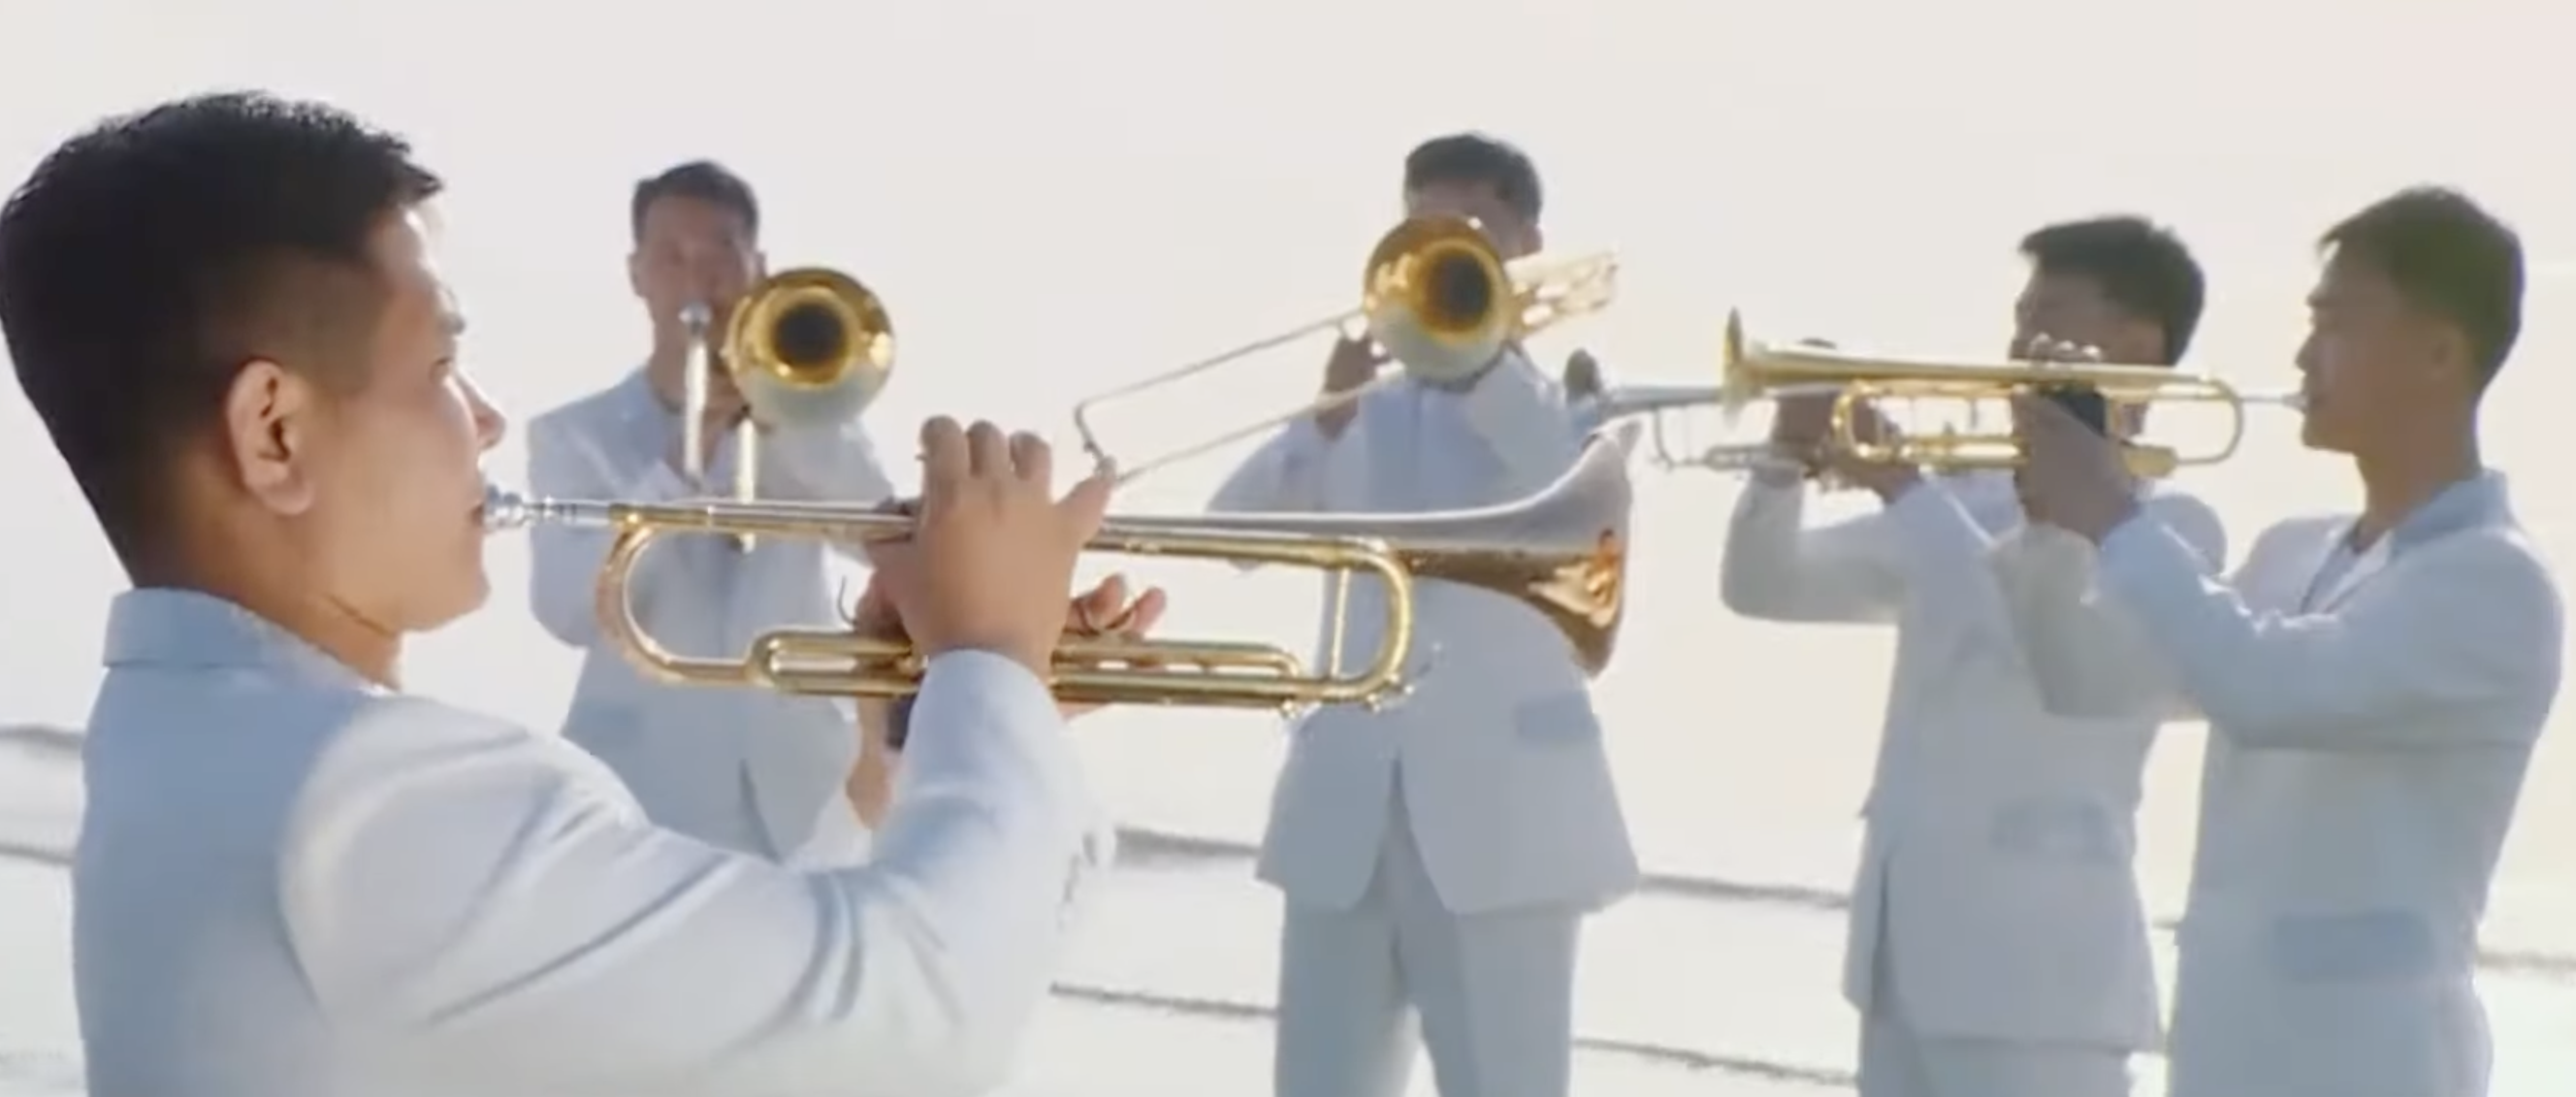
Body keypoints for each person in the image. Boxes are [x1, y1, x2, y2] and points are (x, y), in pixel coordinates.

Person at [0, 90, 1138, 1097]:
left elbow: (745, 1051)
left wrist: (927, 733)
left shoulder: (192, 735)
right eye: (443, 369)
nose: (485, 419)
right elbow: (914, 1030)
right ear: (275, 431)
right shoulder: (377, 797)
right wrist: (990, 655)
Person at [2010, 187, 2561, 1097]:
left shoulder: (2493, 582)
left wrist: (2108, 507)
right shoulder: (2294, 549)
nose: (2304, 356)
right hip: (2229, 1059)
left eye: (2336, 324)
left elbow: (2266, 692)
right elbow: (2082, 681)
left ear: (2439, 353)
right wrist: (2050, 528)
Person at [1721, 217, 2224, 1097]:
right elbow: (1766, 588)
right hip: (1901, 961)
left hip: (2041, 983)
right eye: (2020, 317)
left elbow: (2031, 646)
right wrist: (1780, 461)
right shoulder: (1966, 496)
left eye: (2052, 317)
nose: (2019, 344)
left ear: (2137, 345)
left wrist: (1903, 485)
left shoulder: (2170, 527)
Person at [1209, 132, 1638, 1097]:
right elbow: (1230, 534)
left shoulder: (1574, 408)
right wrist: (1317, 420)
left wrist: (1479, 363)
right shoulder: (1360, 408)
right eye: (1422, 230)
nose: (1447, 248)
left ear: (1527, 241)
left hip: (1507, 826)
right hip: (1344, 817)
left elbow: (1563, 500)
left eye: (1473, 229)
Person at [526, 160, 894, 866]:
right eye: (672, 256)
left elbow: (884, 538)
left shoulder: (815, 421)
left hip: (806, 796)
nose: (698, 278)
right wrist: (673, 473)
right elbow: (564, 609)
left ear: (758, 265)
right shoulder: (574, 436)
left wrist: (796, 425)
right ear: (637, 274)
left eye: (721, 251)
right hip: (644, 799)